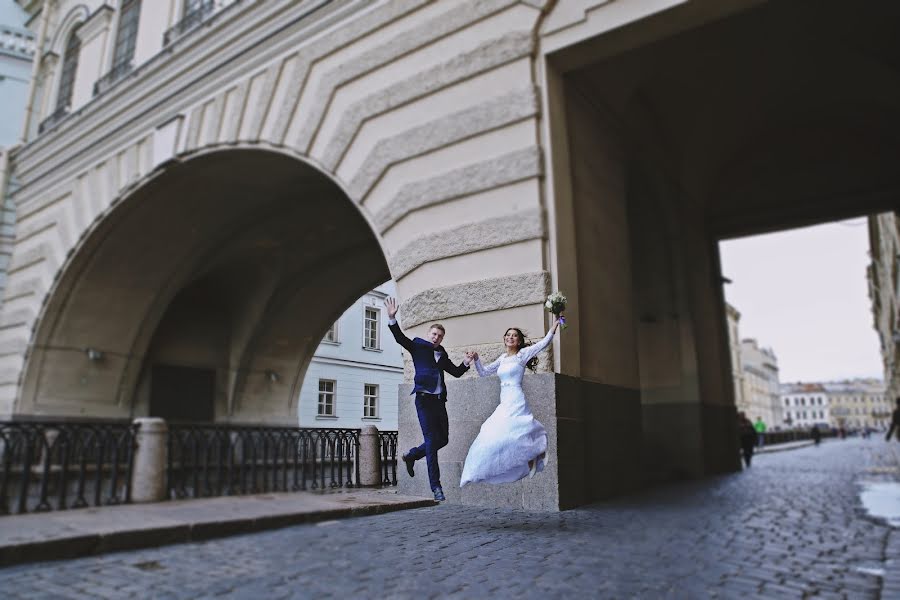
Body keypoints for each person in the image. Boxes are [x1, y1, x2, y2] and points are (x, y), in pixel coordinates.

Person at [384, 297, 471, 502]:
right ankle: (436, 487)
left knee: (443, 439)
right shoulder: (418, 346)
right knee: (432, 442)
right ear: (428, 334)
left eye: (439, 336)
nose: (436, 338)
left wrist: (467, 362)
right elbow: (400, 338)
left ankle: (412, 455)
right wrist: (391, 318)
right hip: (423, 400)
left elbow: (457, 372)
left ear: (442, 339)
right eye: (433, 334)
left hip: (439, 402)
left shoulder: (442, 354)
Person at [459, 314, 562, 487]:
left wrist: (554, 326)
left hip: (516, 397)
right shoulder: (502, 358)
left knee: (520, 429)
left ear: (519, 341)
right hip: (504, 400)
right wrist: (476, 359)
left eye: (514, 335)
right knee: (492, 433)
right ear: (505, 339)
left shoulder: (522, 355)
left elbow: (543, 344)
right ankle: (483, 470)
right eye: (508, 335)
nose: (510, 337)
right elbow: (484, 372)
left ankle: (536, 453)